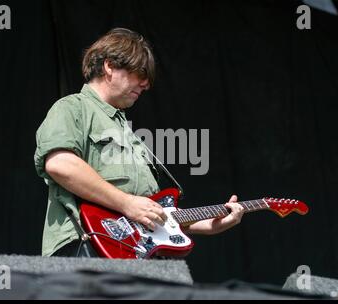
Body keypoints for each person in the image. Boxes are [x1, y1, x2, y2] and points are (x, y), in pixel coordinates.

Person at [34, 28, 245, 258]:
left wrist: (209, 225)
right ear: (110, 66)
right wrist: (127, 203)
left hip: (135, 253)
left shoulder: (127, 131)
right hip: (87, 246)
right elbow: (60, 164)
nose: (145, 84)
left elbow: (149, 211)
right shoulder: (73, 108)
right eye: (140, 73)